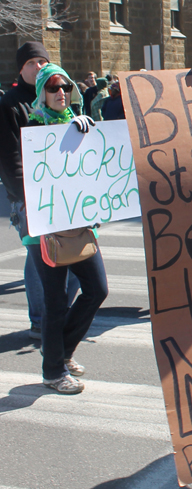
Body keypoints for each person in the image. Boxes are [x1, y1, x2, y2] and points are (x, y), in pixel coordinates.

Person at [27, 63, 108, 394]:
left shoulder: (79, 125)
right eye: (53, 87)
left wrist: (83, 134)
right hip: (45, 230)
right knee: (56, 300)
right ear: (42, 93)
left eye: (66, 87)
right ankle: (53, 372)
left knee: (97, 288)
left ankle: (61, 350)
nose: (61, 93)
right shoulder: (33, 126)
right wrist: (62, 136)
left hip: (78, 225)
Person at [0, 42, 50, 340]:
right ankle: (39, 319)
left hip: (58, 195)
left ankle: (55, 314)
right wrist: (25, 197)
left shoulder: (55, 97)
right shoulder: (9, 104)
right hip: (28, 199)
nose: (39, 67)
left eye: (43, 62)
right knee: (37, 258)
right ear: (21, 68)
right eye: (32, 62)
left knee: (68, 258)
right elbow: (10, 160)